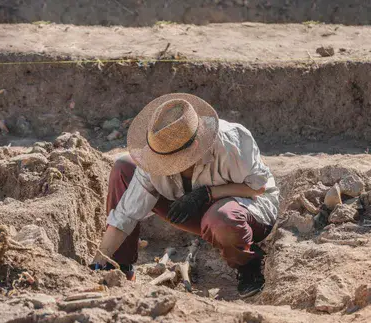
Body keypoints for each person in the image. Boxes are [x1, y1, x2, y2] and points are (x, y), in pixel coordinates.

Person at [90, 93, 279, 298]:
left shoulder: (231, 142)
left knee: (221, 218)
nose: (165, 167)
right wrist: (100, 260)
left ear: (195, 147)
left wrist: (207, 194)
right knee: (124, 167)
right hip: (193, 210)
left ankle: (248, 265)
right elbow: (126, 214)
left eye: (174, 161)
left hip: (248, 209)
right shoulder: (156, 153)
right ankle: (119, 267)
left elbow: (257, 188)